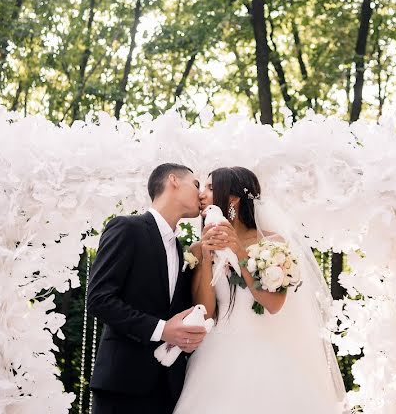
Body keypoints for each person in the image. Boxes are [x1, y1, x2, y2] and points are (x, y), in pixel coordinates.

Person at [174, 166, 347, 413]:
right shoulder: (198, 249)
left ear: (232, 199)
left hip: (266, 357)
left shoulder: (272, 243)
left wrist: (239, 252)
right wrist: (205, 254)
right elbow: (207, 312)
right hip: (216, 358)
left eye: (211, 188)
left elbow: (273, 304)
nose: (202, 194)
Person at [87, 163, 209, 414]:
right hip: (122, 385)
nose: (200, 194)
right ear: (173, 181)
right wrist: (162, 330)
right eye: (196, 184)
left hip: (168, 388)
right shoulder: (126, 228)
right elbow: (99, 298)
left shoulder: (181, 248)